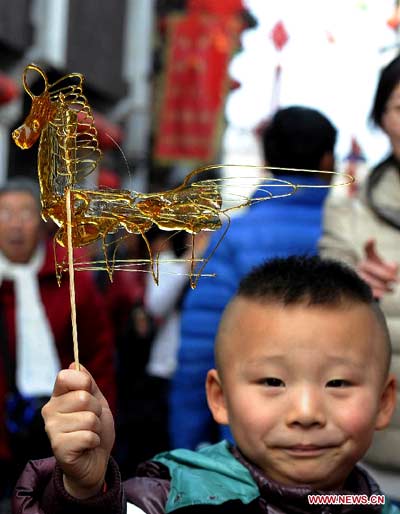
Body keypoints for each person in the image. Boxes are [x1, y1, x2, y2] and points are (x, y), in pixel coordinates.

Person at [13, 256, 400, 513]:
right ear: (220, 397)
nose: (306, 413)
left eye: (337, 382)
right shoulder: (167, 497)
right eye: (272, 381)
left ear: (384, 401)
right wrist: (83, 492)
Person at [169, 105, 337, 449]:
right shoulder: (351, 233)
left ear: (267, 159)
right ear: (327, 161)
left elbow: (202, 346)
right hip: (342, 434)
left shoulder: (233, 236)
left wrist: (188, 444)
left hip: (251, 435)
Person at [0, 177, 116, 508]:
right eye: (5, 213)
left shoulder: (70, 278)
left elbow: (100, 354)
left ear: (40, 220)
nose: (15, 224)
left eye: (24, 213)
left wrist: (101, 424)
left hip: (60, 419)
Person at [319, 54, 400, 503]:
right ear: (380, 118)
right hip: (363, 455)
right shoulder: (349, 209)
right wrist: (349, 287)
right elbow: (323, 298)